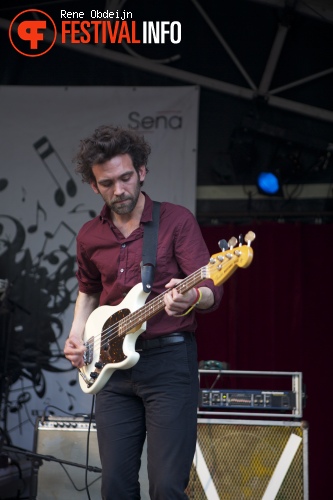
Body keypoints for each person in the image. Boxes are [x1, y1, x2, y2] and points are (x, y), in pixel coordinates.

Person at [64, 125, 223, 499]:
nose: (119, 190)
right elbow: (87, 291)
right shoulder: (89, 235)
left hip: (168, 362)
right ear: (94, 186)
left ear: (142, 172)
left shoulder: (176, 220)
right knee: (116, 487)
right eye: (107, 183)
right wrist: (76, 334)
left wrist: (193, 298)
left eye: (126, 178)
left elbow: (212, 290)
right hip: (112, 372)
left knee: (167, 486)